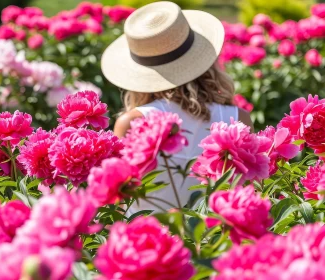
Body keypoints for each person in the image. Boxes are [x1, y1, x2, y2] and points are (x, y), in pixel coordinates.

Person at [100, 1, 253, 212]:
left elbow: (116, 207)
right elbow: (246, 199)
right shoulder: (238, 119)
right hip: (215, 242)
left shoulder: (133, 122)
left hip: (144, 240)